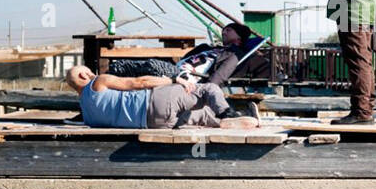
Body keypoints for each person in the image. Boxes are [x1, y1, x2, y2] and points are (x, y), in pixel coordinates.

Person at [63, 65, 259, 129]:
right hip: (154, 101)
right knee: (206, 89)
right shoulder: (98, 82)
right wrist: (174, 80)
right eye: (89, 69)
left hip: (154, 123)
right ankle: (228, 115)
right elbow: (139, 82)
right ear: (83, 75)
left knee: (200, 115)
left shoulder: (87, 113)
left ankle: (245, 121)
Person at [105, 22, 269, 85]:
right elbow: (184, 60)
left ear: (239, 36)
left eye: (229, 30)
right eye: (223, 29)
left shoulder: (234, 54)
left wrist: (206, 90)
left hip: (184, 77)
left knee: (148, 65)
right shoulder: (207, 47)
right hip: (175, 69)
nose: (224, 32)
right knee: (120, 66)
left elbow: (219, 76)